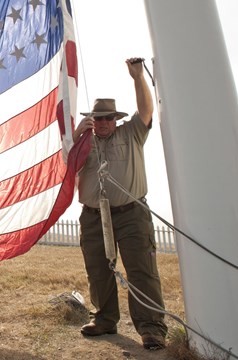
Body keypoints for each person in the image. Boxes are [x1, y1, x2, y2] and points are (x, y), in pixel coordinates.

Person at [71, 57, 168, 350]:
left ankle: (151, 329)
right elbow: (65, 165)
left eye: (108, 118)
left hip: (131, 214)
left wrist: (137, 77)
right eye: (98, 118)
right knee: (97, 269)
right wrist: (76, 135)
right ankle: (104, 319)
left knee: (141, 270)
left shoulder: (131, 133)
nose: (103, 123)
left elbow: (146, 110)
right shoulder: (83, 142)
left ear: (116, 119)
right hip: (93, 216)